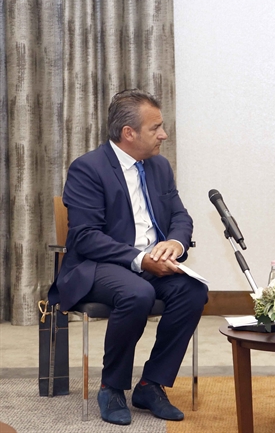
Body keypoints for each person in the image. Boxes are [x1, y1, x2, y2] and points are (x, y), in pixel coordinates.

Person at [48, 89, 208, 425]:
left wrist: (175, 244)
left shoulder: (159, 166)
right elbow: (86, 237)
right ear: (128, 133)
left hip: (149, 265)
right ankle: (112, 387)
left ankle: (151, 385)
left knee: (193, 291)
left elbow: (180, 216)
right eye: (156, 128)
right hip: (99, 266)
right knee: (137, 293)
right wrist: (140, 260)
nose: (164, 135)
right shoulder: (88, 168)